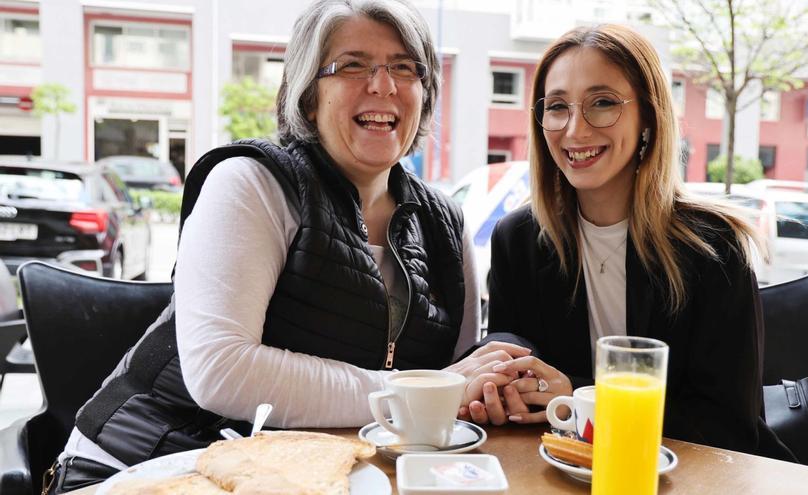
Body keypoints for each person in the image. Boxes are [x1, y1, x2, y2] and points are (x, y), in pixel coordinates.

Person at [47, 1, 528, 492]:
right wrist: (405, 393)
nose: (383, 85)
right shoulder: (253, 182)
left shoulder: (444, 220)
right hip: (154, 465)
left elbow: (457, 376)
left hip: (327, 475)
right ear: (308, 95)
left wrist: (502, 379)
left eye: (405, 67)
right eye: (353, 65)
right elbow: (221, 370)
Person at [461, 24, 790, 459]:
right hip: (564, 475)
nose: (575, 130)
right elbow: (515, 352)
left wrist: (579, 397)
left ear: (649, 119)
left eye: (602, 103)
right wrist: (502, 378)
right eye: (557, 106)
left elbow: (728, 426)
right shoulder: (519, 239)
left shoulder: (711, 247)